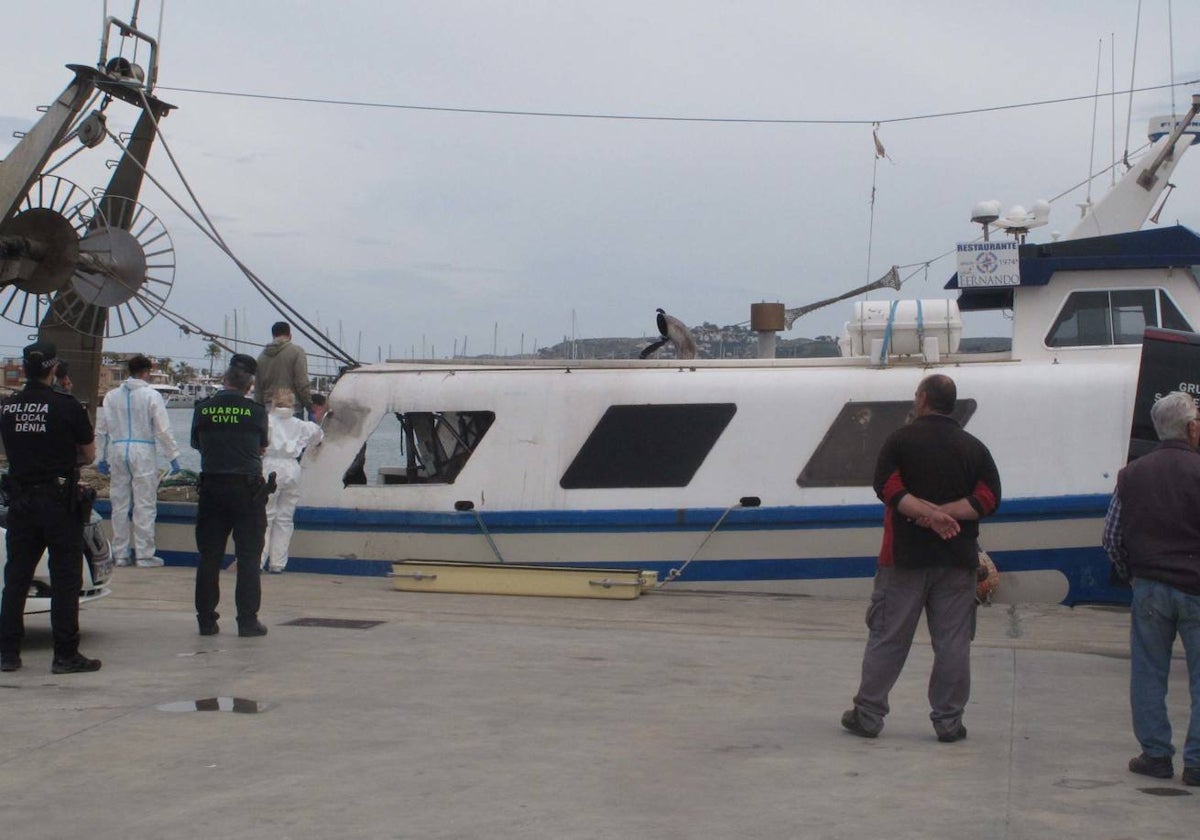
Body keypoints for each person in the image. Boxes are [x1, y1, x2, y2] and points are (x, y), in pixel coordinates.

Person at [842, 374, 1001, 741]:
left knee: (888, 636)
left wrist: (927, 516)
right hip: (957, 560)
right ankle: (948, 722)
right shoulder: (974, 448)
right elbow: (989, 498)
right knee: (953, 642)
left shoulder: (900, 441)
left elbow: (888, 488)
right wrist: (945, 515)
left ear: (924, 399)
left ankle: (868, 714)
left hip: (902, 558)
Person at [1103, 390, 1200, 787]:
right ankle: (1196, 764)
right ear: (1192, 428)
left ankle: (1156, 755)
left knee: (1148, 673)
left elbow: (1111, 537)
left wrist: (1134, 574)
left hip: (1149, 587)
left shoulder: (1132, 474)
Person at [0, 341, 101, 674]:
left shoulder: (9, 407)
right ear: (54, 369)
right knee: (66, 578)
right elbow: (88, 455)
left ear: (25, 369)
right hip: (58, 501)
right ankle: (65, 654)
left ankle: (8, 654)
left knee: (16, 579)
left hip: (20, 500)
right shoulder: (66, 406)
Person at [191, 354, 271, 638]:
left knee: (209, 556)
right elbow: (262, 446)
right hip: (247, 491)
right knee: (248, 557)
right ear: (249, 384)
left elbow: (197, 444)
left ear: (224, 379)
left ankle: (206, 620)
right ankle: (247, 621)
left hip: (212, 488)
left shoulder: (203, 409)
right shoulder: (256, 411)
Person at [95, 355, 181, 567]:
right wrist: (173, 456)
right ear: (147, 371)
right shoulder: (151, 396)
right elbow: (163, 429)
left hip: (118, 448)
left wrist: (100, 457)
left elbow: (100, 430)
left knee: (119, 502)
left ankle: (120, 553)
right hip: (142, 450)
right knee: (144, 502)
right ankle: (144, 553)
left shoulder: (111, 396)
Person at [261, 387, 323, 573]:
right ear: (292, 404)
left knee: (265, 516)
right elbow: (318, 436)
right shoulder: (300, 424)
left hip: (270, 466)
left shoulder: (267, 421)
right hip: (292, 467)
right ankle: (278, 563)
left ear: (273, 403)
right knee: (285, 518)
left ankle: (258, 560)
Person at [254, 321, 312, 418]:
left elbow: (258, 389)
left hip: (268, 410)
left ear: (273, 336)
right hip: (292, 409)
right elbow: (301, 383)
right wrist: (309, 405)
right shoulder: (297, 352)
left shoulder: (261, 357)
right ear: (290, 335)